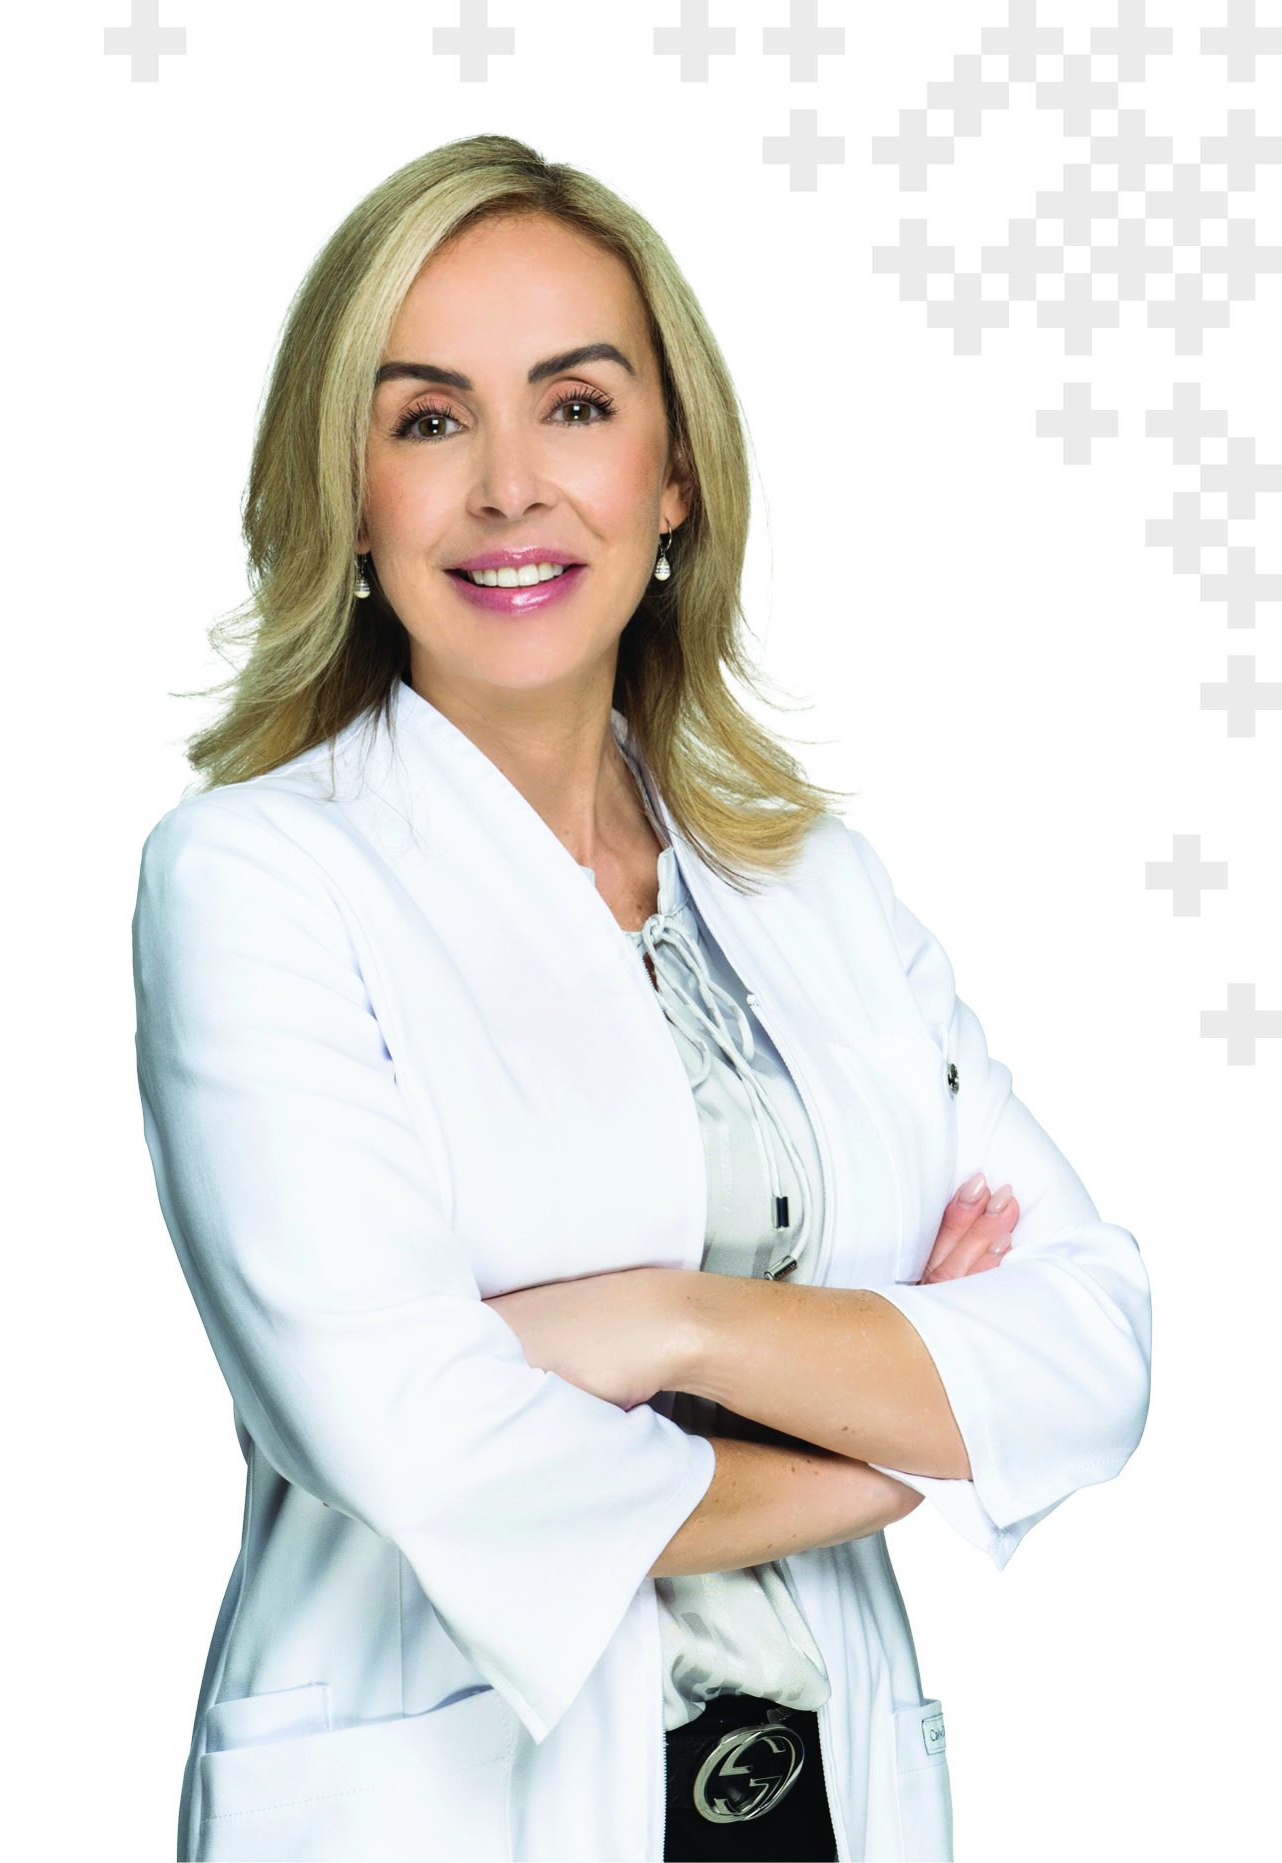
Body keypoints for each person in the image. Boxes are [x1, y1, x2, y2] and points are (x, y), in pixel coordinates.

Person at [132, 134, 1152, 1863]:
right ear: (349, 490)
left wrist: (665, 1326)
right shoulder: (254, 879)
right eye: (429, 419)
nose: (509, 487)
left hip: (825, 1798)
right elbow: (418, 1440)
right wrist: (878, 1442)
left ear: (674, 474)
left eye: (578, 406)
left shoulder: (812, 885)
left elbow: (1092, 1347)